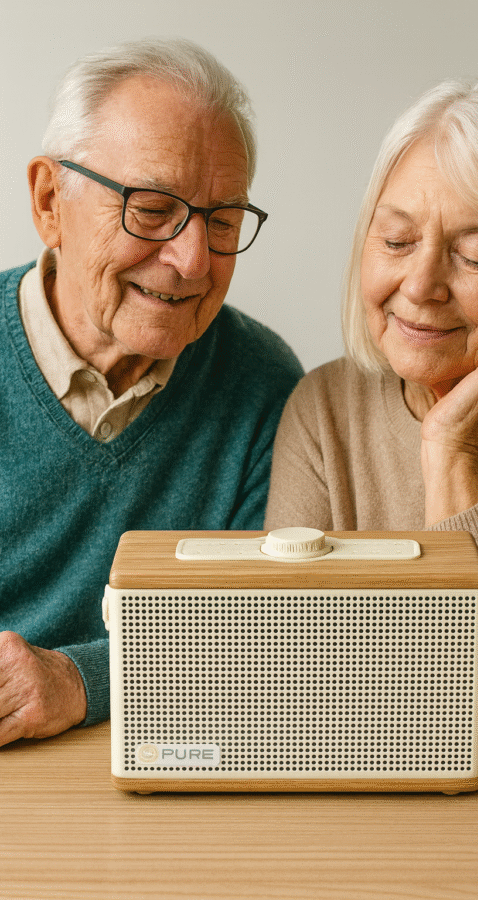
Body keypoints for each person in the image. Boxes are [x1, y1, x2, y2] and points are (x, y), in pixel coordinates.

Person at [265, 78, 478, 735]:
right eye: (395, 242)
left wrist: (453, 452)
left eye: (474, 256)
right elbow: (290, 666)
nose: (419, 287)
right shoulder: (324, 407)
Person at [0, 38, 303, 747]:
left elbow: (257, 638)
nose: (192, 259)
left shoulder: (264, 385)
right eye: (152, 207)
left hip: (171, 764)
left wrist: (80, 681)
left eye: (222, 219)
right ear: (50, 202)